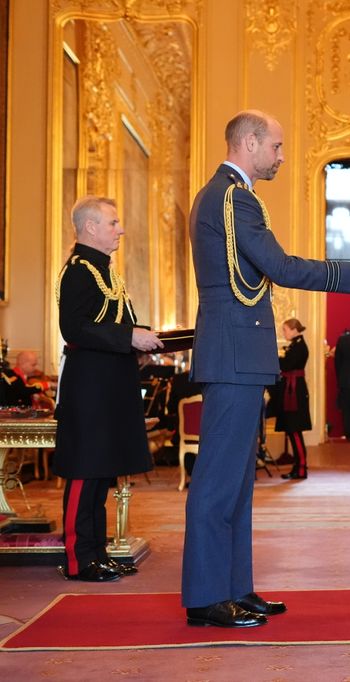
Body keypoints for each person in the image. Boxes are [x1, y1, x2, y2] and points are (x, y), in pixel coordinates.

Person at [183, 110, 350, 628]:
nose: (280, 156)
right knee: (217, 482)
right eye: (275, 147)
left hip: (240, 353)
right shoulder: (233, 198)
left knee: (237, 481)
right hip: (234, 354)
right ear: (249, 143)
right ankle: (208, 599)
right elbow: (278, 266)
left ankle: (234, 588)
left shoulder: (230, 197)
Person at [53, 196, 163, 582]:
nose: (121, 230)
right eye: (114, 223)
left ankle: (96, 553)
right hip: (89, 385)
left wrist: (141, 341)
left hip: (110, 381)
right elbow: (75, 328)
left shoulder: (106, 271)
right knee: (85, 470)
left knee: (102, 471)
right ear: (90, 228)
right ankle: (78, 559)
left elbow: (113, 324)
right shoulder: (79, 270)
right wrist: (130, 336)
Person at [273, 318, 312, 480]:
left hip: (295, 392)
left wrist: (275, 359)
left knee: (295, 430)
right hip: (292, 391)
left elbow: (287, 365)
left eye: (286, 330)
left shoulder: (299, 347)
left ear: (295, 329)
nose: (284, 333)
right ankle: (298, 466)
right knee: (292, 430)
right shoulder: (295, 345)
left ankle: (301, 467)